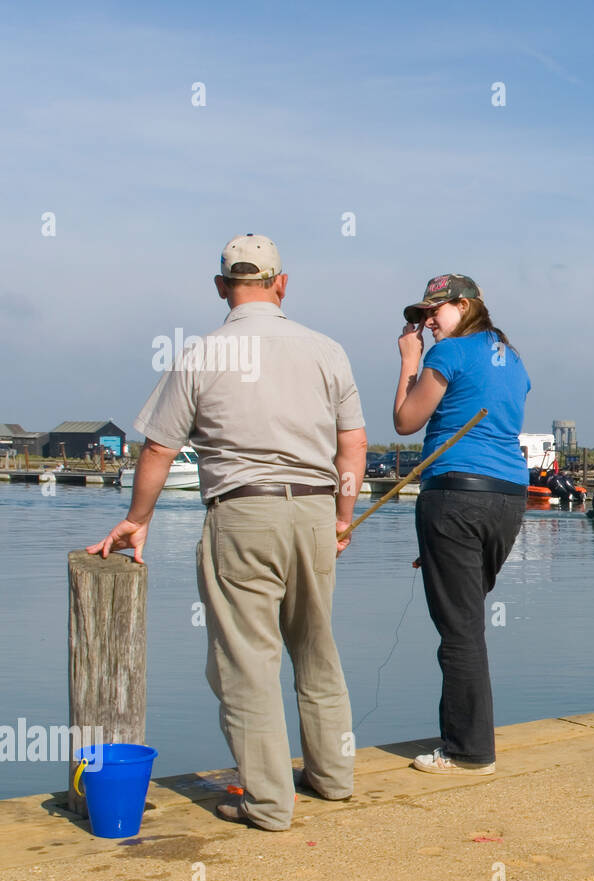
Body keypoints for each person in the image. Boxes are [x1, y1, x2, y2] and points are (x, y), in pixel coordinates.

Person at [88, 234, 367, 830]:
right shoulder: (327, 350)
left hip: (243, 513)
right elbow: (353, 443)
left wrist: (138, 520)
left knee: (246, 662)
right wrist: (342, 516)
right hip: (316, 511)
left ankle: (267, 803)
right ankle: (332, 778)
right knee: (317, 650)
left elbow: (161, 446)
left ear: (222, 287)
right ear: (281, 283)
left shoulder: (200, 354)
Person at [394, 274, 530, 774]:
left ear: (467, 305)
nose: (429, 321)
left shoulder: (447, 354)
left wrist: (410, 361)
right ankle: (469, 736)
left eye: (437, 311)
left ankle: (468, 750)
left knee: (459, 629)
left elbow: (406, 421)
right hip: (507, 499)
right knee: (467, 617)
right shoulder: (511, 358)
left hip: (454, 492)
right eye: (424, 314)